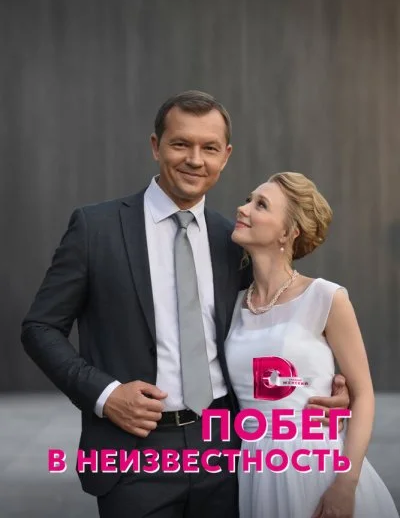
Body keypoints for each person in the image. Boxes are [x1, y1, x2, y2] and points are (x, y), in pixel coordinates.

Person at [21, 92, 349, 518]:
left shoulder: (234, 241)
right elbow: (40, 328)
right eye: (180, 144)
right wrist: (105, 394)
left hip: (226, 450)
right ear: (155, 146)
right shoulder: (95, 228)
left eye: (209, 148)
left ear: (225, 156)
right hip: (133, 453)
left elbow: (273, 321)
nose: (195, 159)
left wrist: (326, 383)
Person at [226, 171, 399, 518]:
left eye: (261, 205)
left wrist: (345, 484)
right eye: (248, 200)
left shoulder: (326, 297)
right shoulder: (234, 303)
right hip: (255, 468)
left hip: (316, 467)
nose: (243, 209)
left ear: (288, 232)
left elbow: (363, 394)